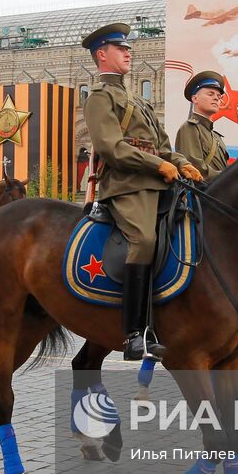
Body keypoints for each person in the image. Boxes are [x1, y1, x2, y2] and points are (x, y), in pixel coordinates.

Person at [81, 22, 197, 360]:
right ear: (102, 55)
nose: (128, 52)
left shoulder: (137, 101)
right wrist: (158, 165)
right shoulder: (99, 98)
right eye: (121, 49)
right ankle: (134, 332)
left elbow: (161, 145)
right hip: (126, 185)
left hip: (158, 181)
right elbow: (112, 148)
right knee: (144, 240)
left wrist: (181, 162)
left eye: (128, 48)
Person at [174, 71, 229, 183]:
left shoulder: (216, 136)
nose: (216, 98)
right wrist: (229, 177)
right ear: (195, 99)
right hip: (202, 197)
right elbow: (196, 170)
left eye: (219, 96)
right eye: (210, 94)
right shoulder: (190, 128)